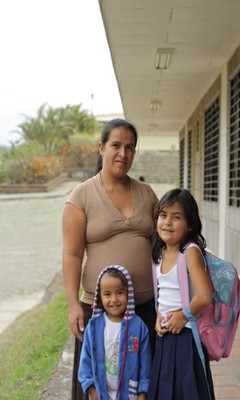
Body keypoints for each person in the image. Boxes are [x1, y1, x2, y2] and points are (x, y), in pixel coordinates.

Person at [62, 118, 158, 399]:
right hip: (98, 311)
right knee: (97, 386)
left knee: (141, 385)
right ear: (101, 148)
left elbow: (164, 244)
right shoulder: (81, 195)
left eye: (130, 147)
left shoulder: (147, 194)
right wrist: (72, 305)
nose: (123, 154)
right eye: (116, 145)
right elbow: (71, 254)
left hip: (144, 309)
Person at [148, 188, 215, 400]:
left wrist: (183, 315)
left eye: (176, 217)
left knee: (188, 390)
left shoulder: (190, 252)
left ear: (190, 224)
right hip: (166, 336)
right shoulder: (160, 253)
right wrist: (159, 315)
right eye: (163, 215)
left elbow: (204, 296)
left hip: (187, 338)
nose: (167, 222)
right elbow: (163, 293)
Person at [79, 265, 152, 400]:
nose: (114, 300)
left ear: (128, 293)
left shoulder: (138, 327)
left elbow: (145, 364)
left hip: (130, 395)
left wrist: (142, 393)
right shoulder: (93, 327)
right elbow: (85, 362)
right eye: (107, 294)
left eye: (119, 293)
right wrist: (92, 390)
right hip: (101, 394)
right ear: (100, 297)